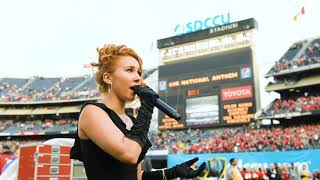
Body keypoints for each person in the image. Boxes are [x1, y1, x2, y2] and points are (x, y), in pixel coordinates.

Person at [70, 44, 206, 180]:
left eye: (139, 73)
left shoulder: (131, 121)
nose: (138, 78)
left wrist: (172, 173)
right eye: (130, 70)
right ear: (108, 78)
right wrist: (147, 106)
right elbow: (129, 154)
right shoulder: (92, 112)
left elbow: (137, 176)